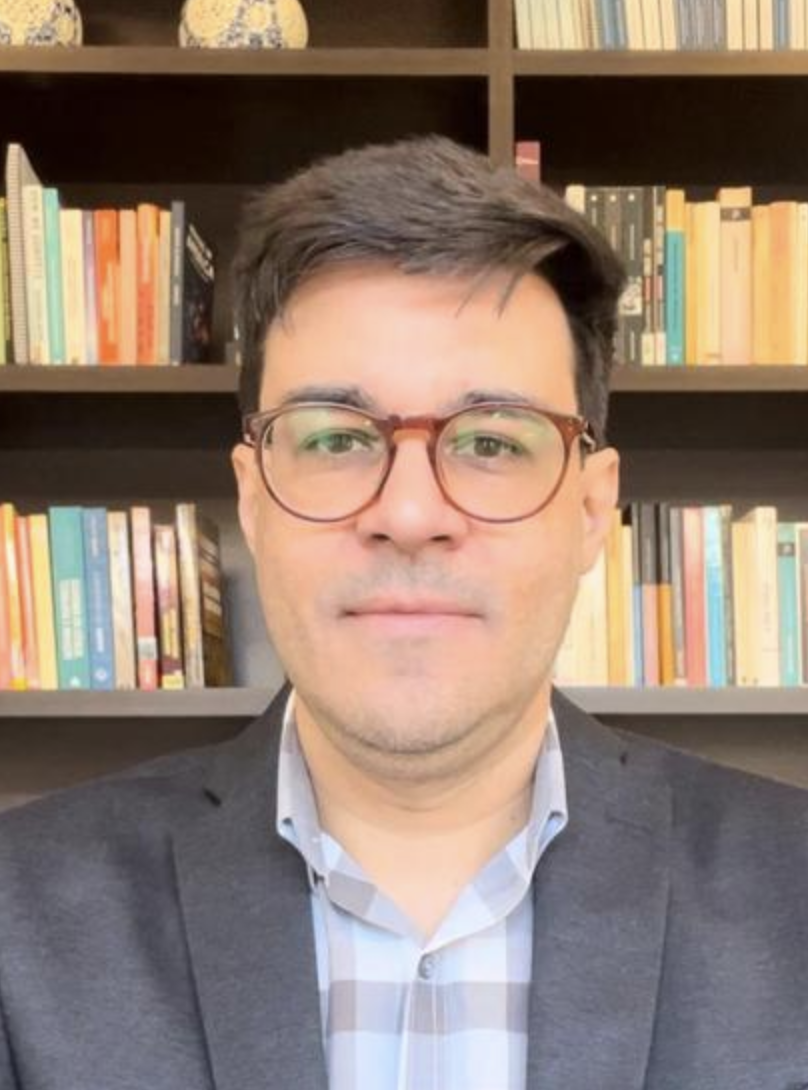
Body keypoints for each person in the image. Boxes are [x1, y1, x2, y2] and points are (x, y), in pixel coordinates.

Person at [1, 135, 807, 1090]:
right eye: (336, 439)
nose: (411, 514)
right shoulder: (19, 914)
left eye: (494, 442)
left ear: (593, 510)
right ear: (253, 501)